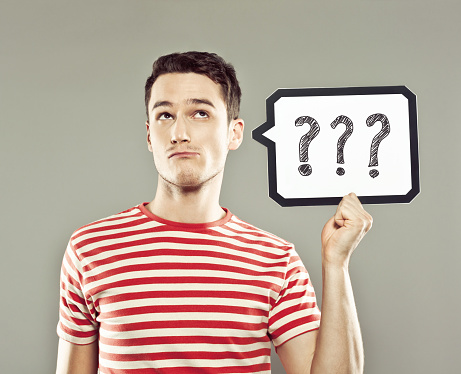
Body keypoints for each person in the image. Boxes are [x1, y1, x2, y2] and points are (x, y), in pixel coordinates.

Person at [56, 51, 373, 374]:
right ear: (150, 135)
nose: (180, 132)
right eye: (165, 115)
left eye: (200, 113)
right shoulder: (91, 249)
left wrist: (336, 264)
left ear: (234, 133)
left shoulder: (276, 260)